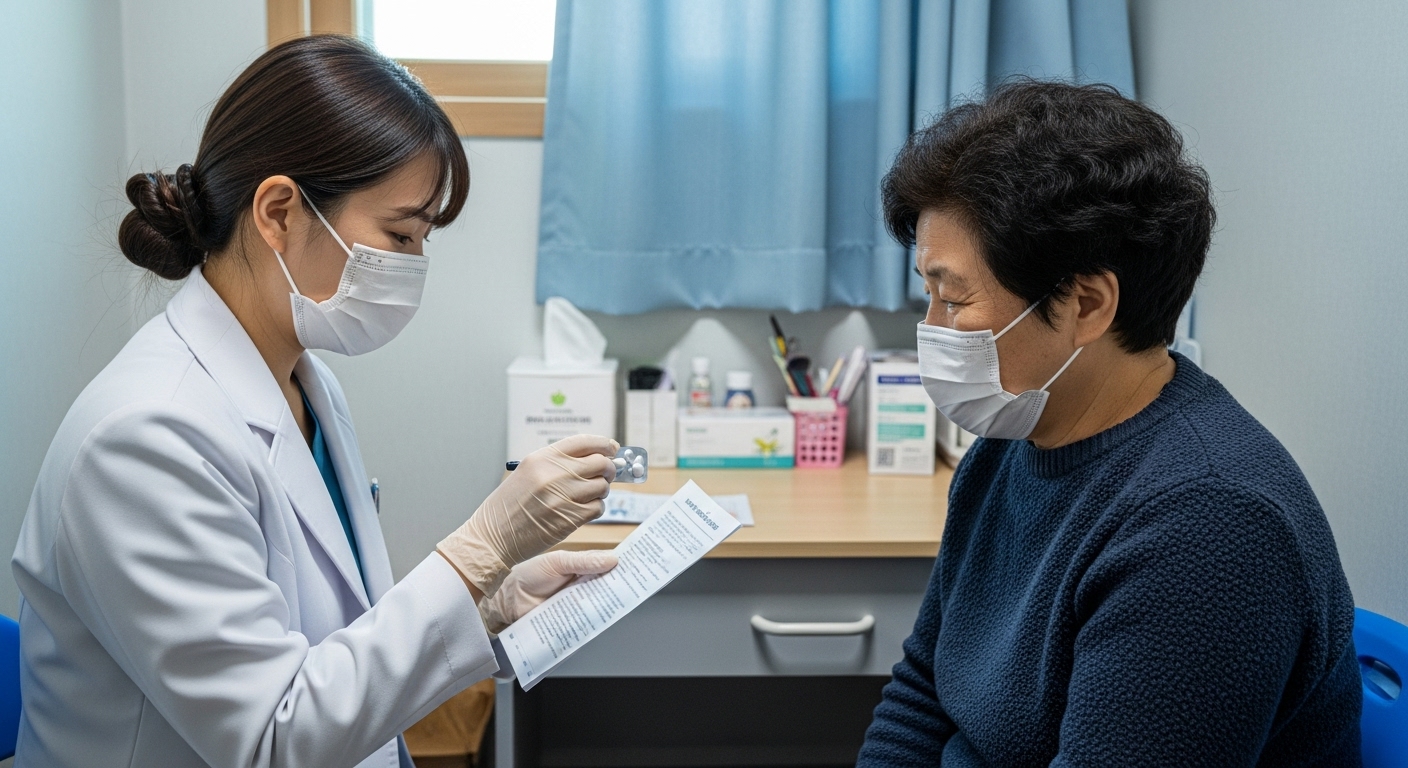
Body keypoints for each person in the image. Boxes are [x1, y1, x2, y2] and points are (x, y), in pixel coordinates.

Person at [11, 35, 619, 767]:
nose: (412, 267)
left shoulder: (303, 381)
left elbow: (326, 644)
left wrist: (488, 607)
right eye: (399, 233)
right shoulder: (144, 438)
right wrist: (479, 548)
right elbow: (274, 740)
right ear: (278, 213)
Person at [857, 80, 1361, 766]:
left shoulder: (1208, 526)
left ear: (1087, 304)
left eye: (955, 298)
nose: (932, 330)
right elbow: (926, 691)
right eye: (929, 295)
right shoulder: (1016, 439)